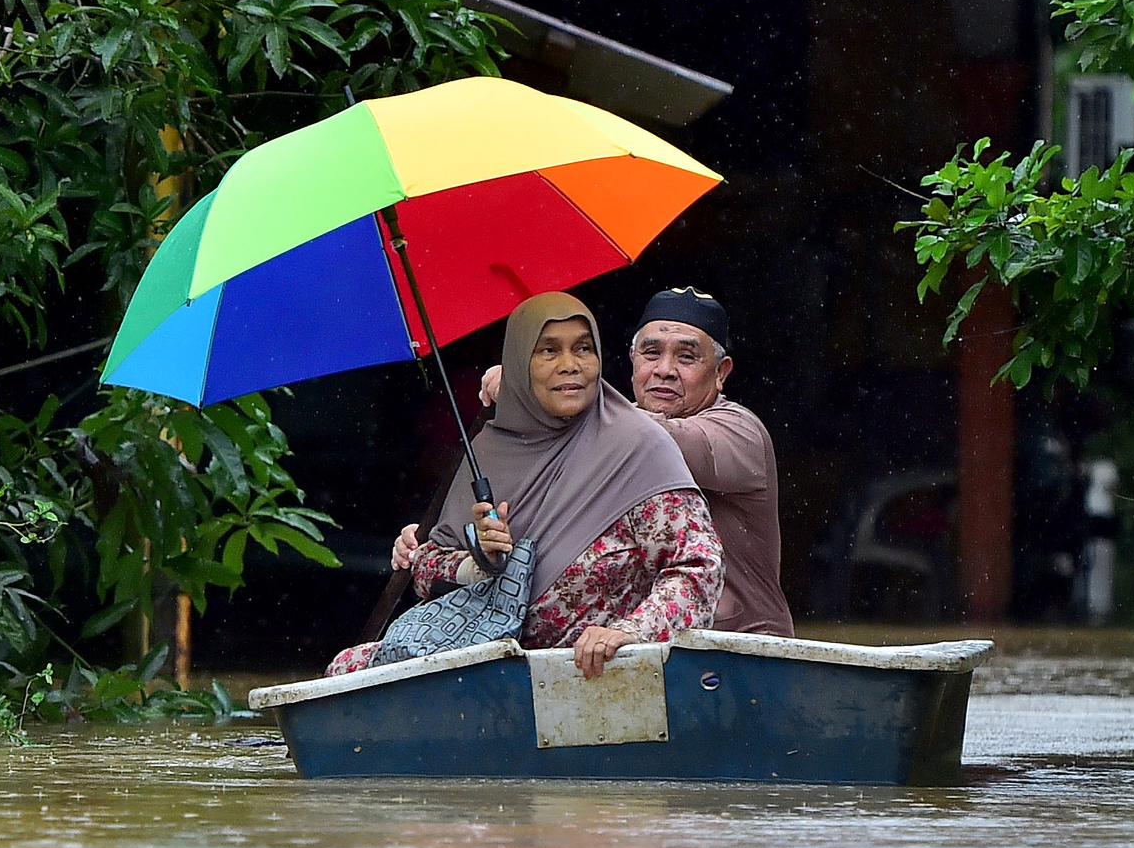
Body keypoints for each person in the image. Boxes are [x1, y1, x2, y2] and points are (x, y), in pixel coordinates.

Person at [327, 293, 723, 680]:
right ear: (517, 365)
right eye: (549, 351)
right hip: (490, 660)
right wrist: (480, 562)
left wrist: (630, 633)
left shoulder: (638, 447)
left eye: (583, 349)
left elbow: (698, 568)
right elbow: (427, 567)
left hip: (590, 673)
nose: (570, 366)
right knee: (346, 670)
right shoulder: (487, 450)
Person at [483, 287, 793, 636]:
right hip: (627, 652)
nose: (665, 370)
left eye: (687, 357)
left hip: (740, 652)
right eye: (651, 353)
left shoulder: (740, 432)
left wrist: (549, 381)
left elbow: (660, 441)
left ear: (721, 373)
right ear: (631, 361)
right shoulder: (597, 435)